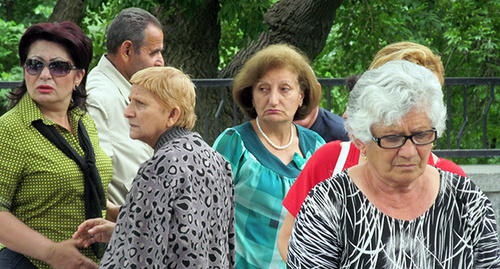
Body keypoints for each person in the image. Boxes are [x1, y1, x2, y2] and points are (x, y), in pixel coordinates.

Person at [287, 60, 500, 267]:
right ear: (361, 140)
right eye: (392, 138)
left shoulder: (467, 201)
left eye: (421, 135)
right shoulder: (328, 206)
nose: (408, 152)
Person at [74, 66, 235, 268]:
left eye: (140, 104)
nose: (127, 112)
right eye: (129, 102)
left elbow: (139, 258)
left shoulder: (161, 166)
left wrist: (125, 240)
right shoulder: (217, 161)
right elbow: (197, 240)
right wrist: (122, 229)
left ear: (172, 115)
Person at [0, 22, 112, 269]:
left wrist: (124, 216)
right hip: (29, 263)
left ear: (79, 76)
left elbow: (85, 186)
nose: (45, 75)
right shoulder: (11, 129)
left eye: (59, 67)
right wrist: (51, 252)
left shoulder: (83, 122)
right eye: (34, 64)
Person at [212, 43, 325, 268]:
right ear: (251, 96)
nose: (273, 100)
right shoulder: (234, 143)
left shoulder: (316, 146)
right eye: (263, 89)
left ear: (301, 96)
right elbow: (209, 215)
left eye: (285, 89)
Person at [86, 7, 164, 205]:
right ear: (127, 50)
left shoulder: (130, 87)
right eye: (154, 52)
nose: (161, 62)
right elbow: (95, 179)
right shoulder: (98, 97)